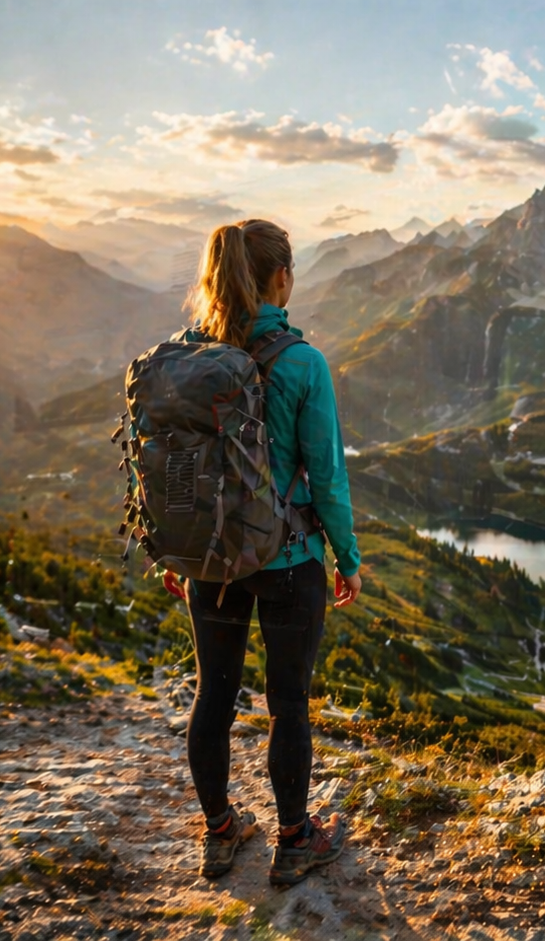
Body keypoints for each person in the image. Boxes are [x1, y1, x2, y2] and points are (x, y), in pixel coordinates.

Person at [162, 218, 363, 886]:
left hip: (209, 562)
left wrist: (177, 546)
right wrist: (348, 557)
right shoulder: (302, 363)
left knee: (212, 696)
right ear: (281, 277)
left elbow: (169, 462)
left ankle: (221, 832)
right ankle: (294, 839)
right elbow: (327, 475)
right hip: (286, 563)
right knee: (289, 704)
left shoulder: (186, 355)